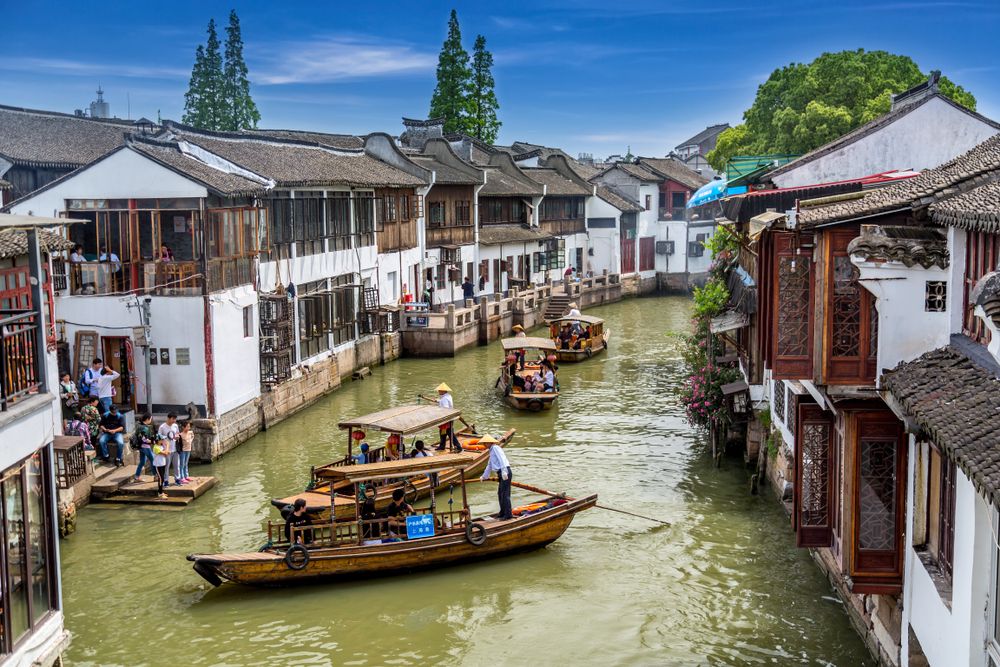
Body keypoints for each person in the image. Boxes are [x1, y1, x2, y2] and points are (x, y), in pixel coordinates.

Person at [479, 434, 513, 520]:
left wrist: (504, 471)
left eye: (485, 443)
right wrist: (484, 476)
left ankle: (508, 515)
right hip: (500, 472)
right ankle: (502, 512)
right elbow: (489, 465)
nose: (484, 445)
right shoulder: (491, 450)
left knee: (505, 494)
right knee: (500, 493)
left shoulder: (495, 448)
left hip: (505, 471)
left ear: (489, 442)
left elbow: (502, 459)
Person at [434, 382, 460, 451]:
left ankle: (458, 447)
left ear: (443, 391)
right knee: (443, 432)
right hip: (448, 418)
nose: (438, 391)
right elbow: (442, 401)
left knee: (449, 432)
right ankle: (442, 446)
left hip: (446, 418)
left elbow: (445, 409)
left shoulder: (444, 399)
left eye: (439, 390)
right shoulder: (448, 396)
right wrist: (438, 401)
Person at [132, 413, 157, 482]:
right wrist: (153, 442)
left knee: (142, 462)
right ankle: (156, 476)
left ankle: (137, 477)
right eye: (151, 419)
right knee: (153, 460)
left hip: (140, 447)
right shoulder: (145, 428)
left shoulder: (139, 425)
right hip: (145, 446)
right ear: (147, 419)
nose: (151, 421)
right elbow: (144, 439)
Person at [158, 413, 180, 486]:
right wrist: (163, 449)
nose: (174, 420)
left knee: (177, 465)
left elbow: (177, 433)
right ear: (168, 418)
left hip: (175, 449)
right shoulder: (162, 427)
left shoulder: (175, 425)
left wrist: (177, 436)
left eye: (175, 419)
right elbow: (158, 438)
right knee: (166, 466)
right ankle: (166, 481)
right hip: (167, 450)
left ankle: (177, 479)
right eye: (173, 419)